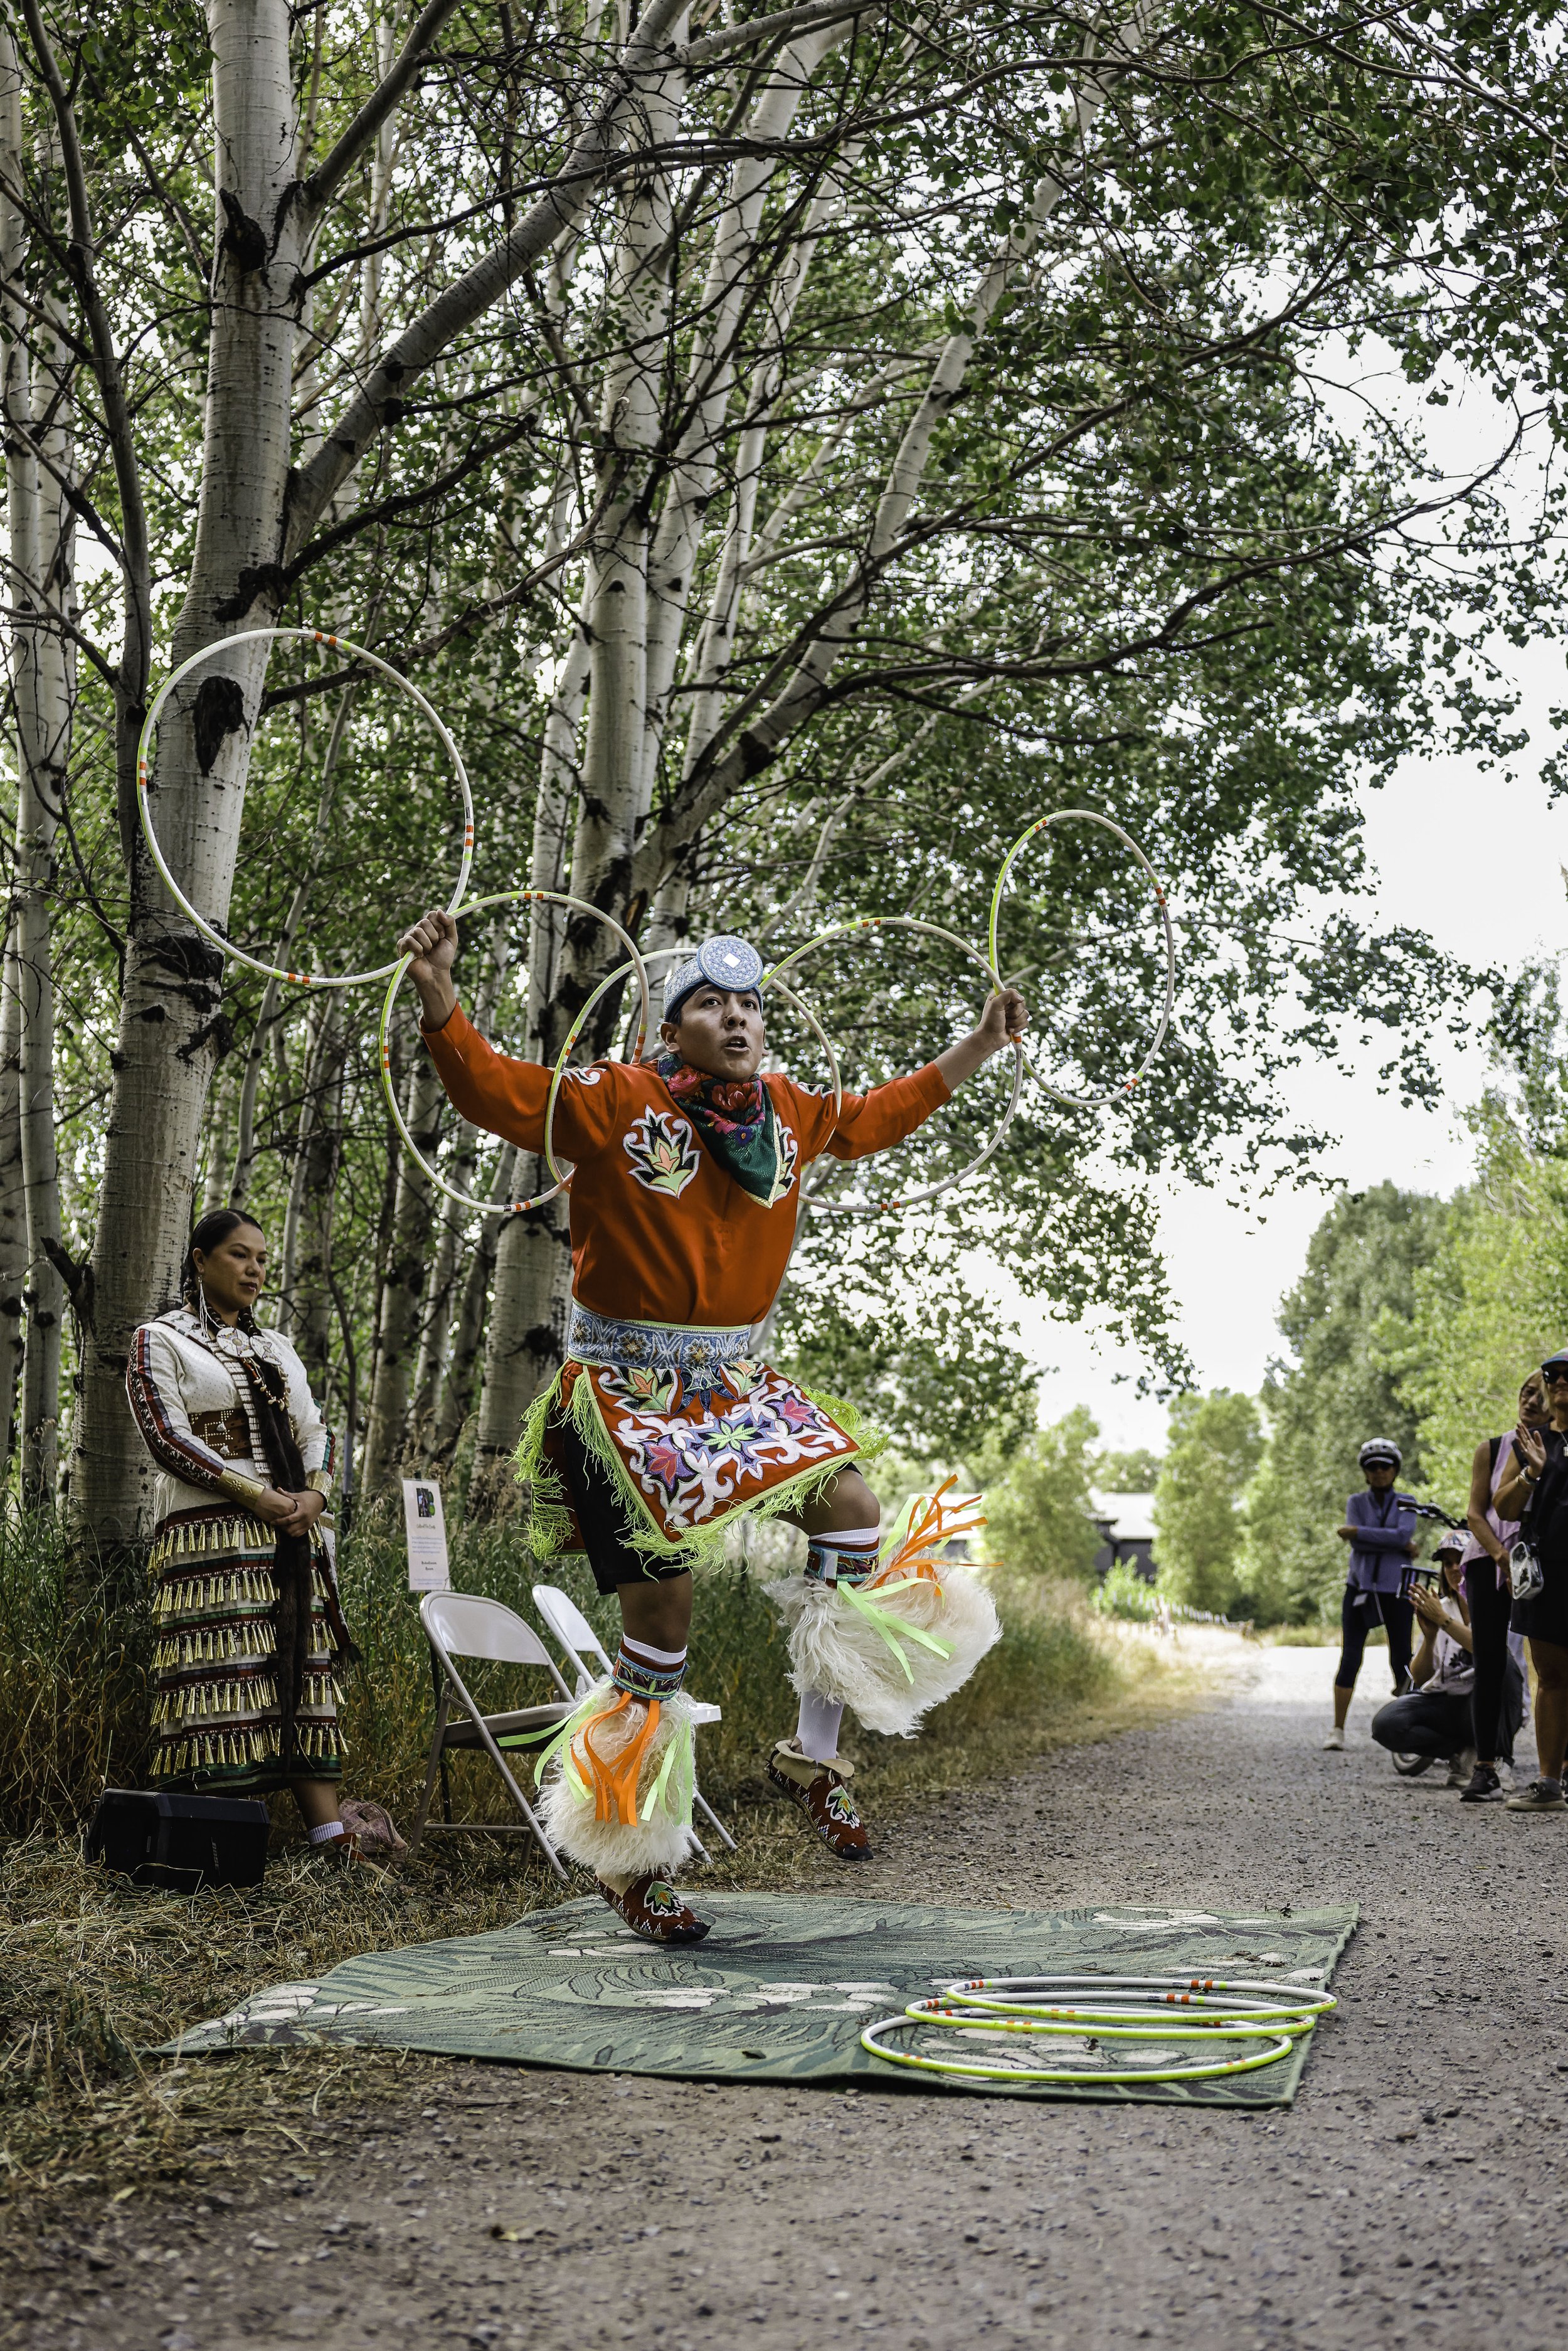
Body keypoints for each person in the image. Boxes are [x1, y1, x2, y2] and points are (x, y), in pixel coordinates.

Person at [400, 913, 1021, 1941]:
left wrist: (981, 1043)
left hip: (737, 1386)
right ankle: (628, 1859)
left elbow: (876, 1116)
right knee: (663, 1625)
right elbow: (501, 1094)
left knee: (854, 1511)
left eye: (750, 1004)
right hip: (622, 1399)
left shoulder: (788, 1110)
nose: (737, 1015)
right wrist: (440, 1000)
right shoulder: (615, 1098)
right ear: (671, 1025)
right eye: (710, 1003)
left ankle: (811, 1756)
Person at [125, 1209, 364, 1861]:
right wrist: (258, 1494)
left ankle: (328, 1833)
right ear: (200, 1260)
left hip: (294, 1531)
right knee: (222, 1672)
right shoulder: (160, 1340)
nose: (255, 1267)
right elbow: (168, 1438)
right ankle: (218, 1839)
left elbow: (317, 1430)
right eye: (238, 1254)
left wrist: (312, 1495)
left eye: (261, 1256)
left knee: (302, 1671)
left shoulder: (275, 1348)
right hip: (213, 1538)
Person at [1455, 1373, 1547, 1801]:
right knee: (1489, 1662)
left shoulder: (1558, 1449)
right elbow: (1476, 1514)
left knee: (1548, 1662)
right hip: (1488, 1559)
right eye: (1526, 1393)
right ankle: (1486, 1767)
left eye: (1540, 1396)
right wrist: (1501, 1558)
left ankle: (1555, 1768)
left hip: (1542, 1563)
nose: (1531, 1401)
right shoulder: (1491, 1448)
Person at [1370, 1528, 1522, 1785]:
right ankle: (1459, 1752)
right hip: (1447, 1702)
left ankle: (1500, 1760)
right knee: (1387, 1723)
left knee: (1503, 1664)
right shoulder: (1440, 1606)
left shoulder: (1499, 1605)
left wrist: (1443, 1621)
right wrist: (1430, 1638)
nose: (1454, 1569)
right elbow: (1419, 1677)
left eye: (1461, 1561)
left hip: (1490, 1703)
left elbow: (1488, 1650)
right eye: (1448, 1563)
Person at [1494, 1346, 1568, 1812]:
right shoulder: (1531, 1440)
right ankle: (1548, 1784)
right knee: (1553, 1677)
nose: (1560, 1381)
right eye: (1552, 1375)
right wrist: (1530, 1474)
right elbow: (1501, 1507)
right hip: (1545, 1577)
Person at [1323, 1438, 1417, 1749]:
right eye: (1372, 1467)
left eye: (1385, 1466)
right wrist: (1395, 1543)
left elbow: (1403, 1534)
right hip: (1360, 1589)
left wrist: (1359, 1532)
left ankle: (1408, 1730)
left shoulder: (1407, 1501)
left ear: (1395, 1470)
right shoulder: (1356, 1502)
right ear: (1365, 1472)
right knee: (1351, 1656)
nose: (1379, 1472)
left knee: (1402, 1658)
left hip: (1397, 1590)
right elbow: (1363, 1544)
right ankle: (1337, 1729)